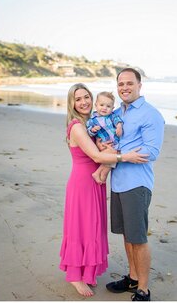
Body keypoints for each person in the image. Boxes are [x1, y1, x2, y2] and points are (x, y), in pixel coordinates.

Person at [61, 83, 149, 297]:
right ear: (72, 103)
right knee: (80, 228)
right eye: (78, 99)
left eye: (86, 97)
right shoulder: (77, 126)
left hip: (96, 184)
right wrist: (124, 156)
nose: (84, 102)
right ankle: (75, 276)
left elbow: (106, 143)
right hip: (82, 184)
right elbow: (98, 157)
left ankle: (86, 272)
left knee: (91, 228)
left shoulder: (92, 122)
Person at [105, 68, 165, 301]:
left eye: (129, 83)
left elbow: (151, 151)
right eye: (120, 84)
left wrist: (118, 153)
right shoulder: (117, 112)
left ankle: (143, 289)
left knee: (138, 238)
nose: (125, 88)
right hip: (118, 182)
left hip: (137, 184)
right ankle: (132, 277)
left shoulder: (151, 115)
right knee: (127, 235)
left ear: (140, 85)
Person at [86, 91, 124, 184]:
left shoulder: (112, 116)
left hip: (114, 143)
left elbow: (117, 120)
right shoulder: (92, 120)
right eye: (102, 105)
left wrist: (119, 126)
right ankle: (101, 176)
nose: (104, 108)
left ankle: (99, 175)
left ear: (112, 108)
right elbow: (89, 132)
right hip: (105, 145)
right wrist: (93, 130)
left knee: (109, 164)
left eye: (108, 106)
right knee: (110, 162)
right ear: (96, 105)